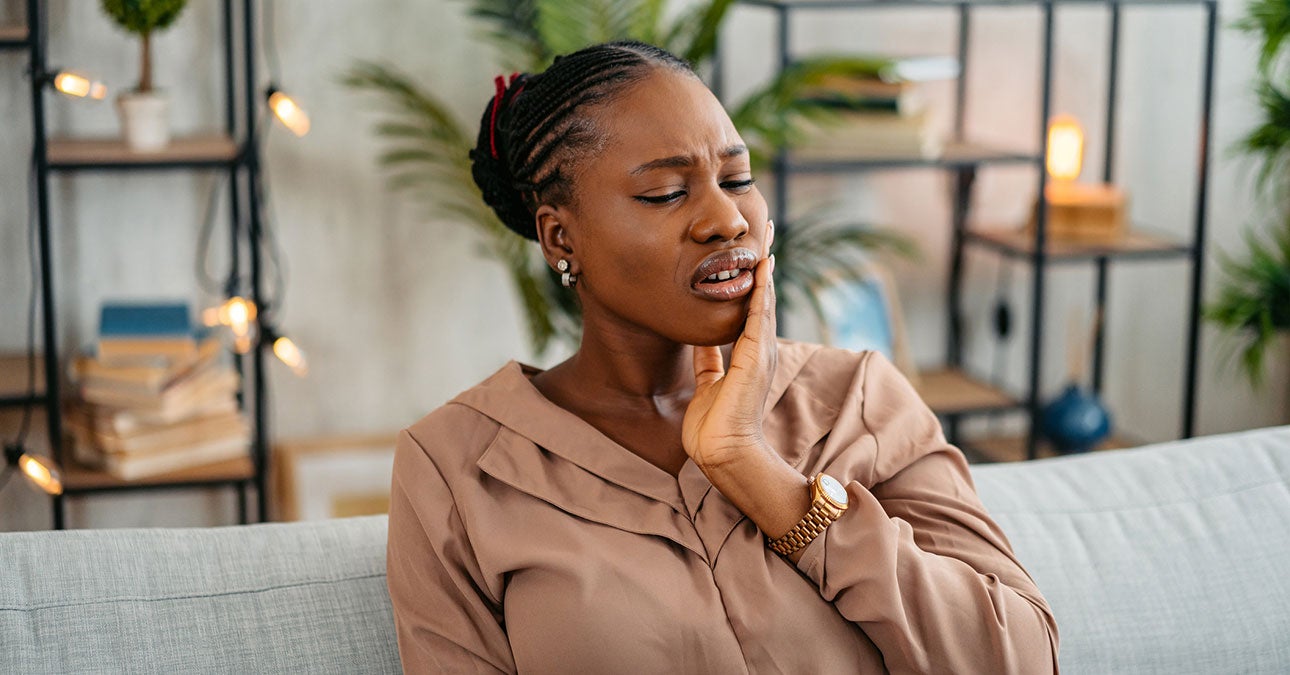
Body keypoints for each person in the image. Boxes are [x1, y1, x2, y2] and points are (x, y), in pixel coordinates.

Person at [387, 40, 1059, 674]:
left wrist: (764, 477)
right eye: (665, 193)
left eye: (737, 178)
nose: (728, 219)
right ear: (561, 237)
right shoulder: (456, 467)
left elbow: (1022, 658)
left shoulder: (858, 399)